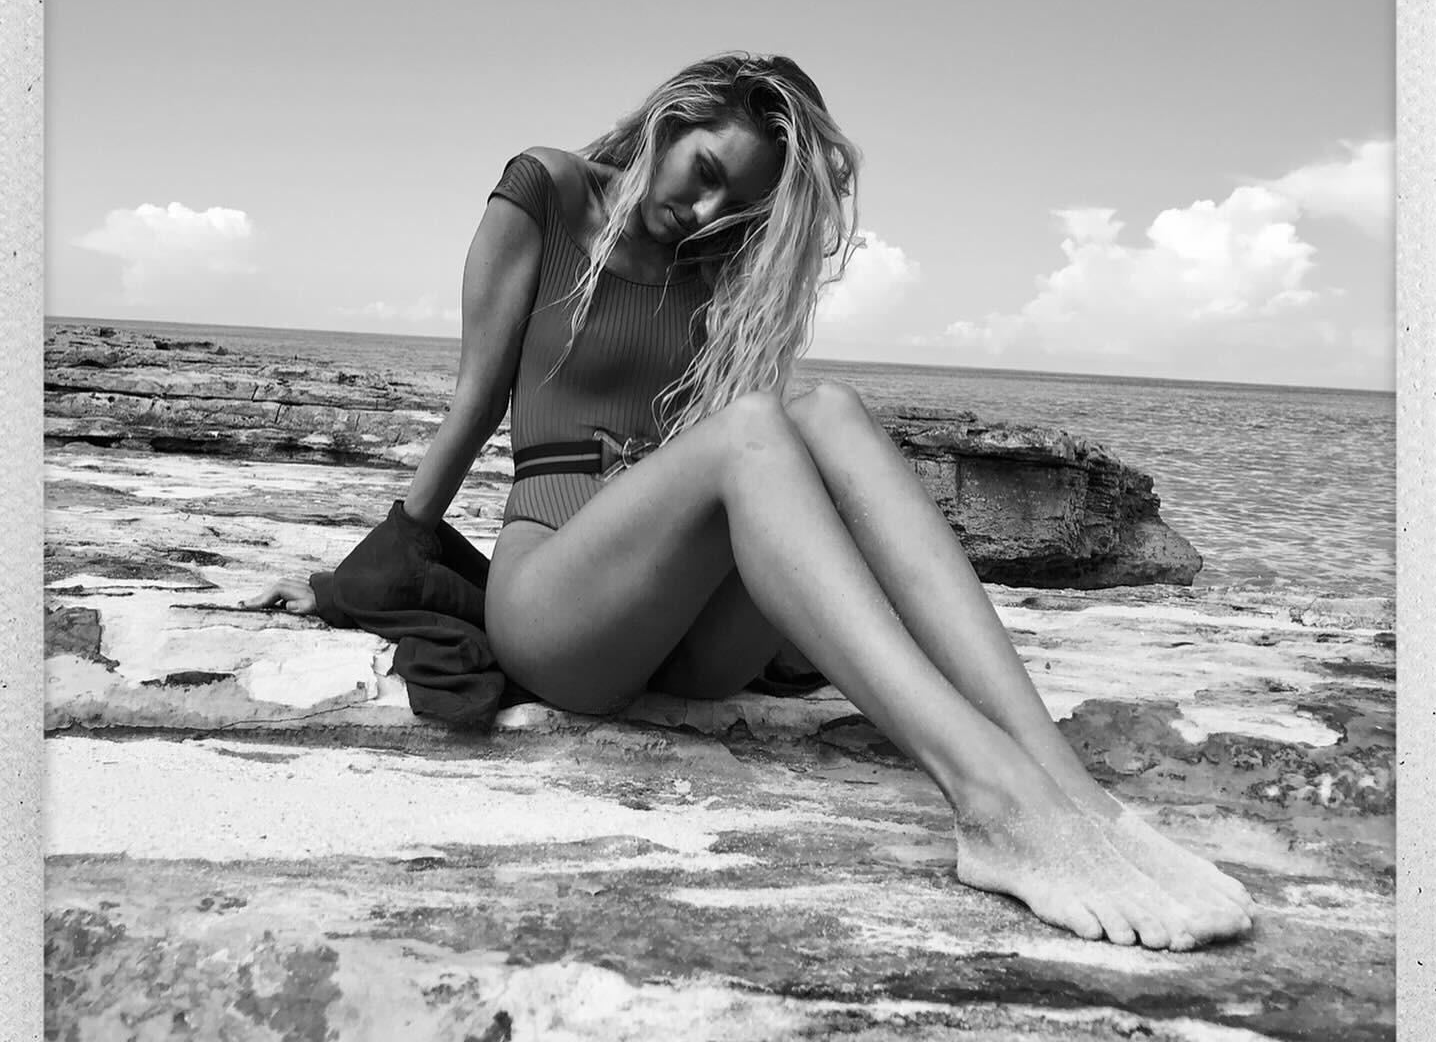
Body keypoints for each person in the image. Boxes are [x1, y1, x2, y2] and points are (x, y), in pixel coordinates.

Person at [248, 51, 1253, 951]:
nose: (701, 213)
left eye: (733, 208)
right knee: (756, 427)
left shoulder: (714, 265)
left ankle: (1070, 789)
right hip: (560, 601)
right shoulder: (544, 192)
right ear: (674, 117)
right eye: (704, 174)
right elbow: (473, 403)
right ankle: (989, 798)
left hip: (688, 632)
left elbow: (757, 470)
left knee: (832, 411)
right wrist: (357, 578)